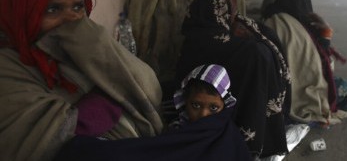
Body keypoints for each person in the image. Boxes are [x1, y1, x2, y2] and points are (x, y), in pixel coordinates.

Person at [0, 0, 164, 161]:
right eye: (53, 9)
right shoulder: (8, 67)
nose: (72, 20)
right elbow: (42, 138)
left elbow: (147, 89)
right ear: (22, 12)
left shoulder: (86, 48)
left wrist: (99, 47)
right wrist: (109, 99)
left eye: (78, 7)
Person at [175, 0, 291, 158]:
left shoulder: (220, 35)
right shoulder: (208, 42)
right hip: (226, 121)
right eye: (231, 14)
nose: (236, 18)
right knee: (257, 54)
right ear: (217, 12)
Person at [56, 64, 253, 161]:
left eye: (213, 108)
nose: (203, 115)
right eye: (196, 106)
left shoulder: (229, 138)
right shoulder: (178, 128)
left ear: (224, 106)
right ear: (184, 102)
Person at [262, 0, 347, 125]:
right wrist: (326, 37)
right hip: (304, 98)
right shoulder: (306, 26)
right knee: (345, 88)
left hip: (274, 97)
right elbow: (325, 67)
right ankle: (317, 116)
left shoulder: (269, 21)